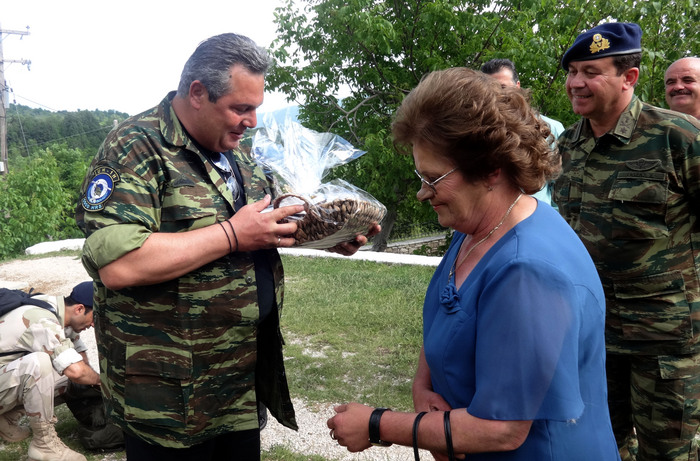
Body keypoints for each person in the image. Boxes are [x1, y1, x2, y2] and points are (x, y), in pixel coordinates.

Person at [75, 33, 378, 461]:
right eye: (241, 108)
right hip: (169, 397)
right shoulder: (136, 147)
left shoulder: (238, 154)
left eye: (256, 107)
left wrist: (330, 234)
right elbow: (119, 264)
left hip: (236, 381)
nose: (251, 121)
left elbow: (270, 222)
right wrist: (231, 235)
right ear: (197, 93)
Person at [327, 67, 620, 460]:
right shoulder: (476, 227)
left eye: (434, 178)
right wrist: (422, 385)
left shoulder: (528, 271)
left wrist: (376, 424)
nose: (421, 193)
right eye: (420, 175)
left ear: (490, 170)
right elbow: (450, 310)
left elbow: (501, 429)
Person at [554, 22, 700, 461]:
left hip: (666, 344)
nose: (576, 82)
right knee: (598, 448)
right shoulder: (566, 147)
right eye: (572, 71)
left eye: (591, 71)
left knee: (669, 454)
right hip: (592, 337)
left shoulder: (678, 136)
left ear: (629, 77)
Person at [0, 282, 100, 461]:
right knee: (38, 364)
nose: (93, 325)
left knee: (65, 374)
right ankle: (44, 445)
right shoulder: (43, 320)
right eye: (95, 318)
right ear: (79, 309)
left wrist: (92, 379)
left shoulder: (55, 308)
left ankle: (6, 418)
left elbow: (81, 362)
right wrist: (104, 382)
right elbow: (76, 371)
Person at [480, 58, 565, 207]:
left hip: (539, 221)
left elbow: (562, 187)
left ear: (517, 86)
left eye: (503, 87)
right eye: (490, 89)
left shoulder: (552, 128)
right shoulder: (477, 132)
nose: (497, 94)